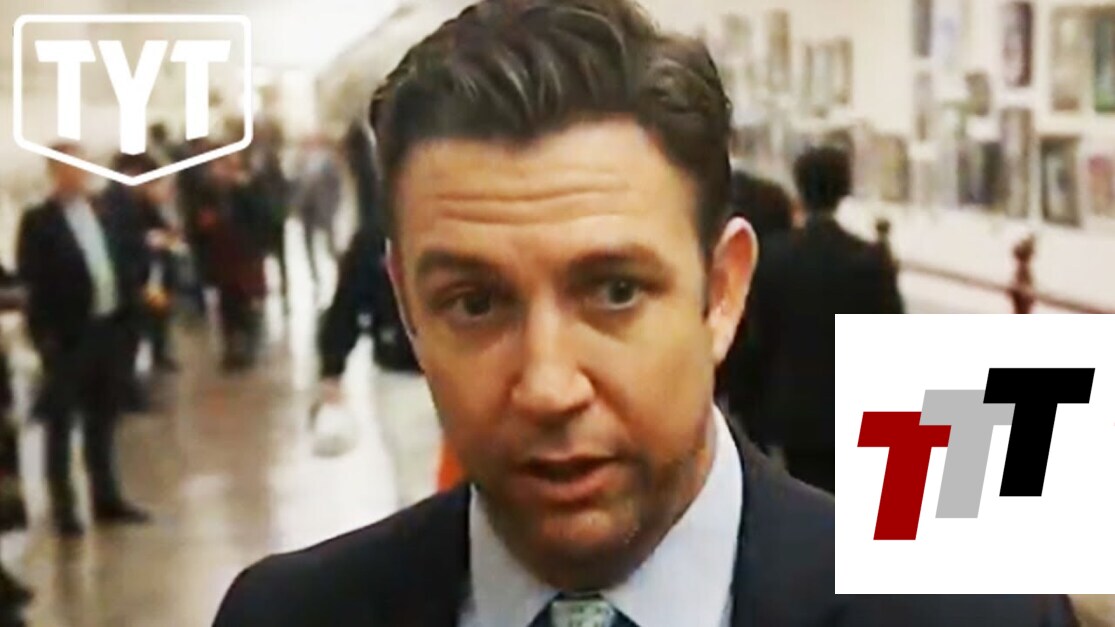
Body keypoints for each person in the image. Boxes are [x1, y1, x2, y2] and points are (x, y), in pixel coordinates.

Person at [213, 2, 1077, 625]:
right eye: (474, 302)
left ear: (722, 291)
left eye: (615, 291)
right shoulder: (284, 614)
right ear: (406, 306)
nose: (548, 386)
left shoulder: (980, 614)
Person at [743, 146, 904, 495]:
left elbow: (756, 343)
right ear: (844, 190)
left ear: (799, 189)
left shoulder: (774, 256)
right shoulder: (870, 260)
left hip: (792, 414)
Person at [17, 143, 150, 536]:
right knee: (60, 425)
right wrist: (45, 338)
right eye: (71, 166)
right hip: (69, 337)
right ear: (55, 172)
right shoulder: (39, 222)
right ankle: (64, 510)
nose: (81, 173)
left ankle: (106, 496)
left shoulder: (102, 211)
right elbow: (34, 285)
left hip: (108, 328)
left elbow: (122, 258)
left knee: (102, 419)